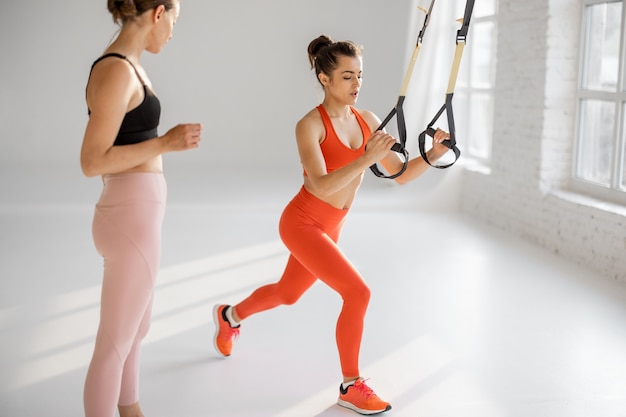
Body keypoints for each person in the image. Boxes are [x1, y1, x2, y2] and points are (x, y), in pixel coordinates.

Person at [212, 34, 450, 415]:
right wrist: (365, 157)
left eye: (360, 76)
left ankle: (230, 315)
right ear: (324, 79)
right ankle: (350, 385)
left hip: (331, 225)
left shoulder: (367, 119)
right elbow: (319, 184)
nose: (356, 85)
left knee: (289, 293)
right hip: (302, 222)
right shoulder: (309, 126)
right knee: (358, 293)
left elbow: (399, 175)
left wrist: (434, 154)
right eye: (346, 77)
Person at [80, 1, 201, 416]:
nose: (172, 32)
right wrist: (166, 143)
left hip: (135, 214)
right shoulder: (116, 70)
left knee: (134, 332)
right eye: (174, 22)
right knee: (113, 345)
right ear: (157, 14)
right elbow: (92, 161)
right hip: (129, 217)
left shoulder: (128, 66)